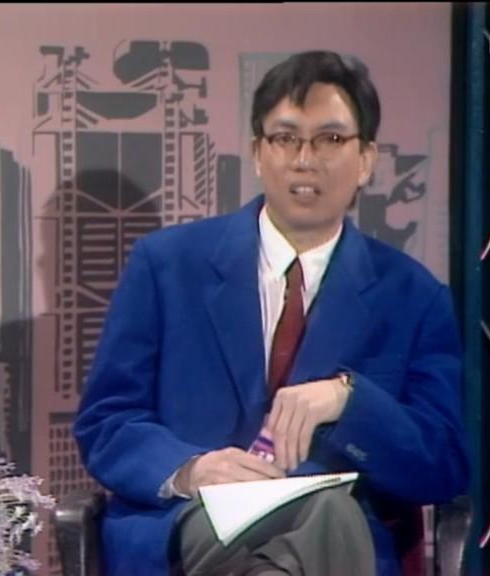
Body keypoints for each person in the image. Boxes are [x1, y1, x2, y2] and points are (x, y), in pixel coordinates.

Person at [74, 50, 469, 576]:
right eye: (286, 138)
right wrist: (191, 469)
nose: (305, 160)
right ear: (258, 153)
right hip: (190, 524)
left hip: (336, 543)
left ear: (366, 159)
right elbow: (108, 421)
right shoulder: (166, 266)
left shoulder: (413, 297)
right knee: (324, 520)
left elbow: (443, 464)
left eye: (330, 139)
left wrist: (348, 402)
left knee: (323, 517)